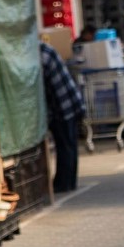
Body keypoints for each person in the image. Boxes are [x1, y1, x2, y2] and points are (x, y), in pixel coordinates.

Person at [40, 41, 85, 193]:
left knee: (65, 145)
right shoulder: (46, 50)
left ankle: (64, 183)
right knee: (69, 144)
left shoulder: (41, 55)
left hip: (63, 106)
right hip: (70, 101)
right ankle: (68, 182)